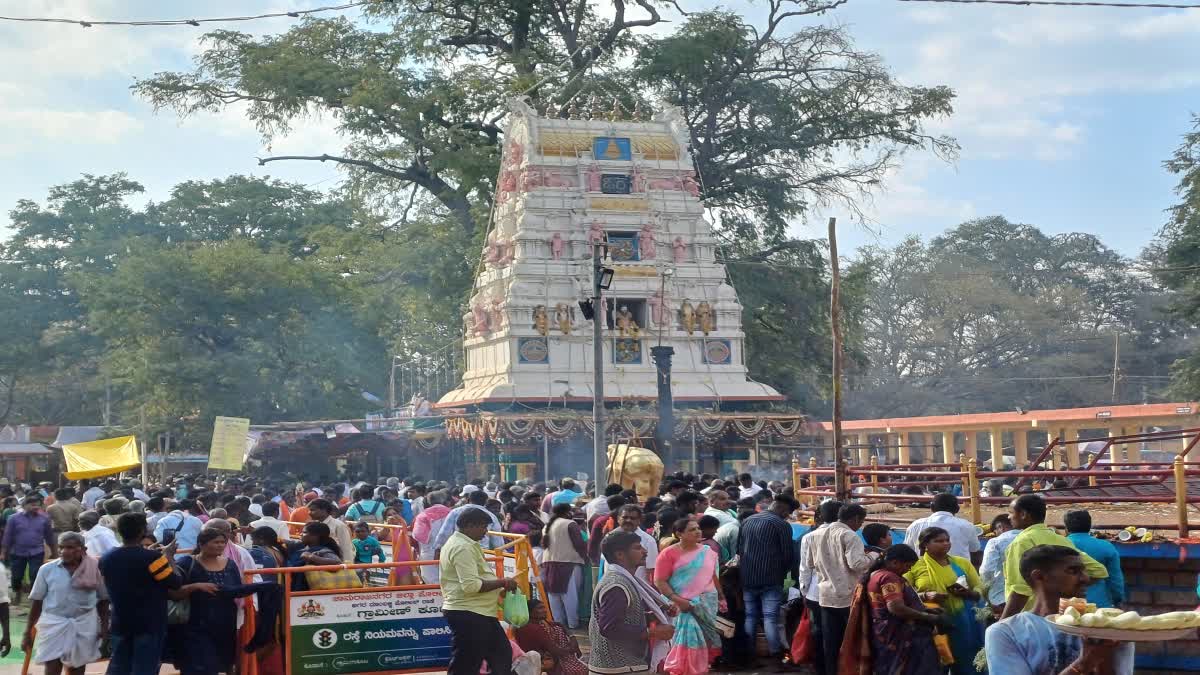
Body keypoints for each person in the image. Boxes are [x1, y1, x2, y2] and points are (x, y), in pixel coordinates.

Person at [985, 545, 1134, 673]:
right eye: (1073, 571)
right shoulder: (1007, 632)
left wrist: (1105, 655)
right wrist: (1084, 663)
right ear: (1039, 576)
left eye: (1083, 571)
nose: (1086, 579)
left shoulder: (1104, 627)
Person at [1000, 495, 1108, 619]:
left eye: (1011, 513)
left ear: (1023, 514)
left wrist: (1004, 622)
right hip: (1061, 616)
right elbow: (1099, 571)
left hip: (1032, 617)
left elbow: (1020, 590)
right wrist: (1065, 588)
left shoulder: (1021, 542)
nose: (1009, 517)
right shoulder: (1060, 539)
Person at [439, 507, 519, 675]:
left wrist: (498, 588)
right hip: (469, 613)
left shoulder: (465, 544)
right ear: (469, 525)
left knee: (501, 656)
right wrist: (502, 582)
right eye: (483, 526)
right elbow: (471, 586)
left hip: (480, 612)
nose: (485, 532)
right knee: (466, 664)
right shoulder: (462, 547)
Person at [101, 513, 182, 675]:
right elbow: (175, 583)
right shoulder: (153, 558)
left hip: (121, 620)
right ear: (142, 531)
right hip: (149, 623)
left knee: (119, 665)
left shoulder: (107, 557)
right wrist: (169, 557)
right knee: (144, 668)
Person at [843, 545, 942, 675]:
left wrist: (926, 610)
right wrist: (928, 617)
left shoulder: (875, 574)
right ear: (895, 562)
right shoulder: (889, 577)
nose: (909, 570)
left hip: (883, 632)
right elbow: (896, 608)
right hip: (898, 633)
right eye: (908, 566)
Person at [589, 531, 677, 675]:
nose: (645, 551)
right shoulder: (616, 585)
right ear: (620, 555)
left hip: (623, 665)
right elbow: (609, 628)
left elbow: (625, 616)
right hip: (618, 667)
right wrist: (653, 632)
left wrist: (653, 617)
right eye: (637, 548)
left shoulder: (626, 580)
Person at [23, 532, 110, 675]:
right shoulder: (46, 570)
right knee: (52, 667)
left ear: (83, 549)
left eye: (70, 547)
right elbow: (37, 602)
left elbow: (103, 600)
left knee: (77, 669)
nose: (64, 551)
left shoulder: (95, 568)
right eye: (61, 547)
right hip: (54, 624)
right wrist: (28, 632)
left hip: (84, 625)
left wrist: (104, 628)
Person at [904, 526, 985, 675]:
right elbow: (903, 591)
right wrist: (925, 596)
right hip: (933, 621)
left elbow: (980, 587)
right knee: (938, 660)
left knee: (967, 656)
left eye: (947, 540)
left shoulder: (962, 563)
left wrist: (968, 593)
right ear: (925, 545)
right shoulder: (914, 566)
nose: (945, 544)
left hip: (964, 620)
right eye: (939, 541)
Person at [168, 528, 248, 675]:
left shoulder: (230, 564)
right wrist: (196, 586)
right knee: (198, 665)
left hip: (225, 624)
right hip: (194, 625)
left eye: (223, 542)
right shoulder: (187, 562)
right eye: (216, 542)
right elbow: (174, 592)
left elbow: (237, 589)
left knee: (221, 663)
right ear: (201, 544)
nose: (220, 545)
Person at [804, 502, 869, 673]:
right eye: (861, 522)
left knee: (830, 642)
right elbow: (857, 564)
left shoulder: (814, 535)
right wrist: (873, 558)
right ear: (855, 519)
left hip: (825, 596)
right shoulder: (849, 535)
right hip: (848, 596)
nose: (860, 526)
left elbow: (809, 563)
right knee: (852, 641)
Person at [655, 518, 725, 675]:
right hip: (681, 606)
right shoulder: (669, 553)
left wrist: (721, 597)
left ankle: (700, 669)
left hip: (706, 604)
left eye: (698, 528)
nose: (697, 532)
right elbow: (660, 581)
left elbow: (713, 577)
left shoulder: (708, 552)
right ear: (679, 534)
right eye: (692, 530)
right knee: (686, 639)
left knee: (706, 640)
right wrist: (678, 599)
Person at [738, 495, 800, 665]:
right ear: (784, 510)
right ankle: (776, 657)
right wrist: (783, 572)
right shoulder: (782, 525)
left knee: (750, 616)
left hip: (748, 577)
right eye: (788, 513)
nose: (787, 517)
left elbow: (739, 549)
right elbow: (788, 556)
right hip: (771, 578)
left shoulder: (748, 521)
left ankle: (749, 655)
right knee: (770, 618)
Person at [1062, 509, 1124, 609]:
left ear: (1066, 528)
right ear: (1089, 526)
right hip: (1099, 605)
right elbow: (1116, 579)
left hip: (1066, 605)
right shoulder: (1106, 546)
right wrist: (1118, 600)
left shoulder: (1059, 545)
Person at [2, 496, 57, 605]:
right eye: (32, 505)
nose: (35, 507)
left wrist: (54, 552)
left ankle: (34, 598)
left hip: (36, 551)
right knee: (17, 576)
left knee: (35, 574)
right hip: (17, 551)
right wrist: (3, 552)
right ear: (24, 506)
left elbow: (49, 537)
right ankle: (17, 593)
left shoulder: (44, 519)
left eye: (37, 505)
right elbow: (8, 536)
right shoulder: (13, 518)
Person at [902, 492, 982, 567]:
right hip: (958, 574)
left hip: (924, 573)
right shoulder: (966, 525)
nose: (944, 544)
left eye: (946, 541)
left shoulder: (915, 525)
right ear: (957, 509)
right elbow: (975, 551)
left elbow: (907, 552)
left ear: (932, 507)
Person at [542, 503, 588, 629]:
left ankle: (559, 624)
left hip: (549, 563)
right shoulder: (570, 524)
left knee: (554, 595)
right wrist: (586, 557)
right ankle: (573, 623)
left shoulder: (547, 526)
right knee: (570, 596)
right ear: (567, 512)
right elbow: (579, 545)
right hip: (568, 563)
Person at [514, 599, 587, 675]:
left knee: (557, 628)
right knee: (580, 670)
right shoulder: (534, 628)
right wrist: (573, 649)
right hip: (540, 661)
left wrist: (572, 637)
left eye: (544, 607)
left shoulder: (538, 623)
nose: (545, 610)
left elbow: (559, 624)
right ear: (530, 612)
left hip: (545, 657)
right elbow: (556, 651)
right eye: (540, 608)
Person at [602, 504, 659, 582]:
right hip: (611, 582)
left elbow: (651, 571)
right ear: (618, 519)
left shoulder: (649, 541)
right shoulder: (609, 537)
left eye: (633, 518)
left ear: (639, 521)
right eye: (625, 517)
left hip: (637, 587)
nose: (628, 520)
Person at [979, 513, 1020, 613]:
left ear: (1000, 527)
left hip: (1002, 597)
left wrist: (986, 595)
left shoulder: (995, 542)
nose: (996, 534)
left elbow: (986, 571)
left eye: (995, 531)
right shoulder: (1030, 537)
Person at [284, 522, 344, 591]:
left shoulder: (323, 550)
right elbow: (290, 543)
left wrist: (312, 557)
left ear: (315, 536)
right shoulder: (301, 546)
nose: (301, 534)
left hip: (306, 591)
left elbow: (337, 563)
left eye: (304, 532)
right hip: (291, 587)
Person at [412, 490, 452, 583]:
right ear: (445, 501)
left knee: (431, 581)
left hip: (429, 553)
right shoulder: (453, 513)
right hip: (451, 551)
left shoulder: (423, 516)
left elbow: (417, 535)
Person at [307, 498, 355, 563]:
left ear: (324, 510)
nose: (309, 513)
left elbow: (346, 548)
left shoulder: (338, 525)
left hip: (335, 562)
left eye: (312, 510)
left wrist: (347, 566)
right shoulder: (313, 525)